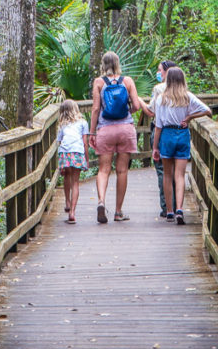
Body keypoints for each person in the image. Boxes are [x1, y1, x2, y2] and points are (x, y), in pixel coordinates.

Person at [89, 51, 152, 224]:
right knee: (122, 170)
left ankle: (101, 201)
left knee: (103, 170)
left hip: (105, 130)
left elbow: (95, 109)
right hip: (125, 130)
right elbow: (137, 105)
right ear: (118, 63)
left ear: (103, 64)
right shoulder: (128, 81)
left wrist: (92, 132)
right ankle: (118, 212)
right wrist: (126, 112)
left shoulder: (99, 82)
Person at [151, 66, 211, 224]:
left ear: (168, 80)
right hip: (182, 135)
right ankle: (179, 209)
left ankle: (169, 211)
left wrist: (155, 147)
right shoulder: (187, 97)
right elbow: (207, 110)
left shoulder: (160, 99)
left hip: (167, 136)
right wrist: (190, 117)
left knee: (167, 174)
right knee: (179, 175)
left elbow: (158, 126)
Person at [150, 59, 177, 217]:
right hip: (179, 132)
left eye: (160, 70)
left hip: (161, 132)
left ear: (168, 72)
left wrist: (138, 101)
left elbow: (152, 111)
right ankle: (177, 206)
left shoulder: (159, 88)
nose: (159, 73)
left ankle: (167, 207)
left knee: (162, 170)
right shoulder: (182, 89)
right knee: (177, 172)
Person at [57, 100, 90, 224]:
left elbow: (60, 142)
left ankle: (67, 201)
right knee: (75, 182)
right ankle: (72, 212)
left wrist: (60, 164)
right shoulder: (83, 123)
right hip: (78, 152)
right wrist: (86, 160)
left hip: (65, 153)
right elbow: (85, 143)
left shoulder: (62, 125)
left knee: (67, 176)